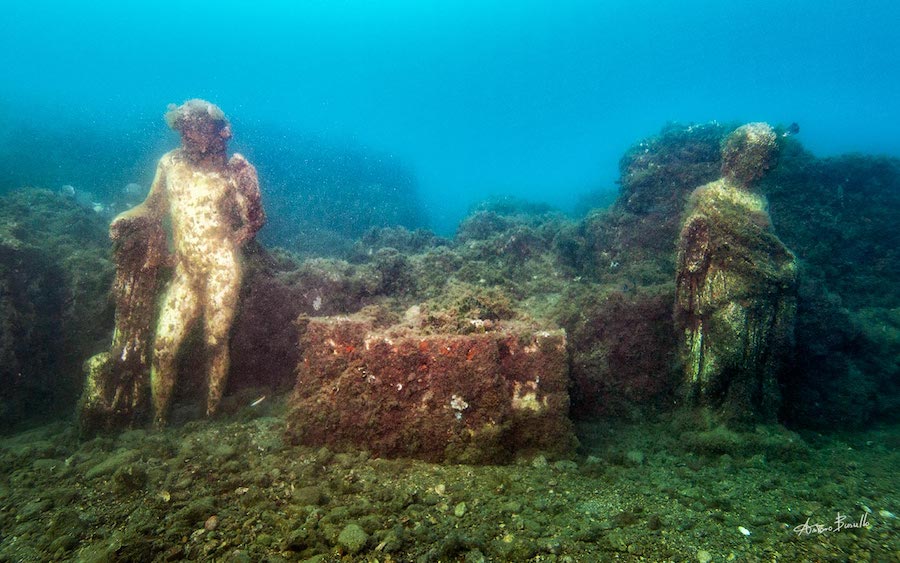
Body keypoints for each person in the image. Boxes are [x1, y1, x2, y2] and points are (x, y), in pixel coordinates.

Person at [112, 99, 265, 427]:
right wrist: (125, 217)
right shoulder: (169, 164)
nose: (187, 135)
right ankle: (158, 425)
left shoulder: (235, 171)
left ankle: (208, 420)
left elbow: (255, 221)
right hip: (185, 270)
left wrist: (230, 245)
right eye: (183, 128)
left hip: (220, 269)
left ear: (220, 132)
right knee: (163, 347)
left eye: (197, 127)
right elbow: (153, 207)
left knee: (214, 341)